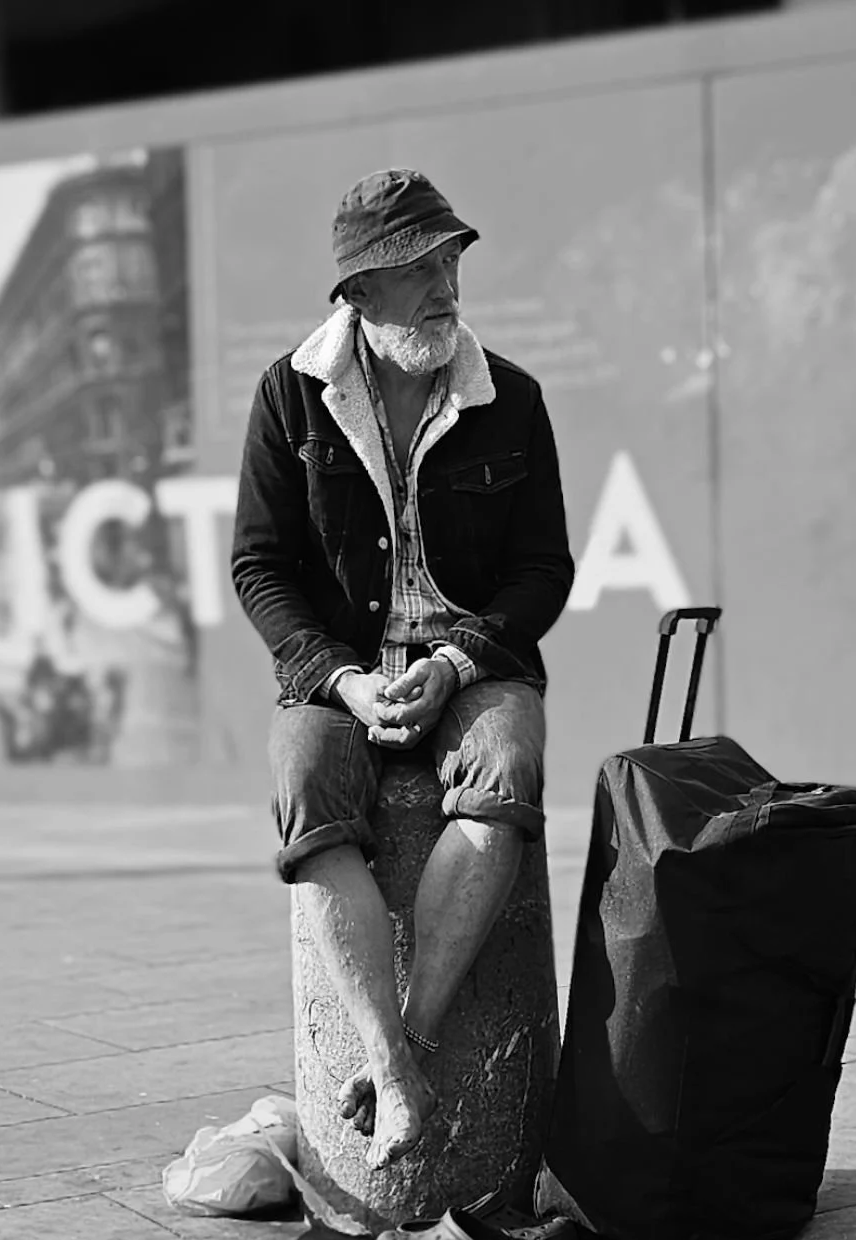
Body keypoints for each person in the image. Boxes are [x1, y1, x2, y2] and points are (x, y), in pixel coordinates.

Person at [230, 169, 574, 1170]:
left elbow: (541, 569)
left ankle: (402, 1063)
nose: (443, 285)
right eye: (413, 269)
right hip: (339, 673)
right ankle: (392, 1061)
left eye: (448, 260)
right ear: (357, 296)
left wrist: (461, 659)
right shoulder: (289, 397)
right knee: (305, 786)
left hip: (474, 663)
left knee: (505, 774)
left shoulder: (513, 398)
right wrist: (337, 680)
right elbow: (260, 566)